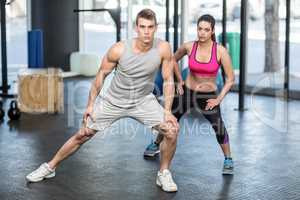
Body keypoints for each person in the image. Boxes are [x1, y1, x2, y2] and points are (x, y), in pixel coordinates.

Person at [26, 9, 180, 192]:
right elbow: (100, 76)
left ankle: (163, 173)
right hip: (113, 100)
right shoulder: (119, 49)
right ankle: (50, 167)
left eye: (150, 27)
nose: (146, 31)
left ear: (156, 28)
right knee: (83, 134)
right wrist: (90, 105)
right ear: (136, 28)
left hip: (143, 100)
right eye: (142, 27)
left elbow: (169, 79)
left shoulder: (163, 48)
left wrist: (167, 110)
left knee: (171, 130)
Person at [144, 14, 235, 175]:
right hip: (187, 91)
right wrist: (179, 81)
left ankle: (228, 158)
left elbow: (230, 79)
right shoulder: (189, 47)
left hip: (208, 96)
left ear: (212, 31)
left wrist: (218, 99)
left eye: (206, 30)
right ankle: (156, 144)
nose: (202, 33)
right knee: (170, 119)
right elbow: (172, 59)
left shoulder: (220, 51)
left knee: (218, 126)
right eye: (200, 29)